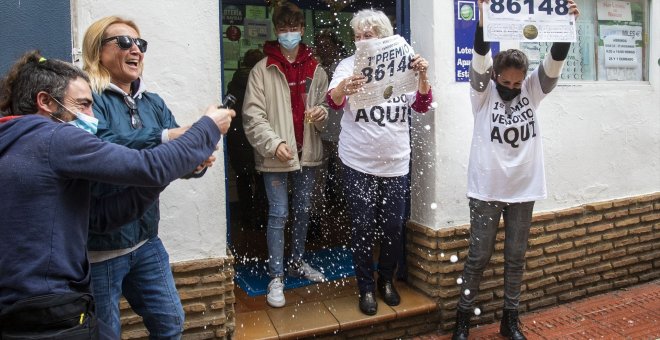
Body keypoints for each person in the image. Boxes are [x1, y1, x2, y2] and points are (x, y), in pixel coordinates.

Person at [0, 51, 232, 339]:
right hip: (46, 308)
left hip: (25, 309)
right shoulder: (53, 137)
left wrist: (167, 171)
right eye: (82, 105)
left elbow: (98, 218)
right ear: (45, 102)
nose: (91, 118)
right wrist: (208, 127)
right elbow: (150, 166)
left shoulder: (15, 139)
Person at [452, 1, 580, 339]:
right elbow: (479, 55)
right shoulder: (481, 93)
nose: (511, 88)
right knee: (478, 257)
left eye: (516, 83)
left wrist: (566, 26)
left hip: (524, 188)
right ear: (496, 76)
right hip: (487, 189)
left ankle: (510, 320)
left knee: (515, 258)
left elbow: (554, 62)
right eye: (505, 82)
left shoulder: (532, 90)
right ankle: (462, 320)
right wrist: (482, 22)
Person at [81, 16, 216, 338]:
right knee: (104, 334)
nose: (135, 50)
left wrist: (193, 164)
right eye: (124, 42)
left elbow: (172, 157)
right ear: (98, 51)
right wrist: (168, 137)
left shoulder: (153, 103)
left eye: (140, 44)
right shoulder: (88, 101)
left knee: (170, 323)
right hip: (100, 250)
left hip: (146, 241)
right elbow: (103, 148)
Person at [327, 9, 432, 315]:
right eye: (357, 36)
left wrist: (422, 75)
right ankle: (365, 287)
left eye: (368, 36)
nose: (361, 41)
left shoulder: (405, 62)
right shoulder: (348, 65)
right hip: (357, 161)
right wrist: (346, 87)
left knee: (393, 226)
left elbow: (423, 105)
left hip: (396, 162)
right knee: (362, 226)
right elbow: (334, 100)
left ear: (384, 37)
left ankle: (386, 280)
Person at [242, 2, 329, 308]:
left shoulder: (316, 69)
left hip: (307, 154)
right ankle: (276, 275)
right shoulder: (261, 70)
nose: (289, 34)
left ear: (302, 30)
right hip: (275, 157)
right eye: (284, 29)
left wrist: (321, 114)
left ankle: (297, 261)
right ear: (276, 31)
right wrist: (273, 143)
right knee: (279, 214)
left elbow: (326, 111)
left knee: (303, 210)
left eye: (294, 28)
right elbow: (253, 117)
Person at [308, 29, 349, 239]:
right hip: (320, 132)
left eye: (327, 45)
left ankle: (347, 220)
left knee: (344, 178)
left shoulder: (344, 68)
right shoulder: (314, 69)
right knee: (318, 180)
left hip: (342, 133)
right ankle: (316, 220)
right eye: (320, 45)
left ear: (335, 46)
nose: (323, 49)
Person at [226, 49, 267, 230]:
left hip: (237, 136)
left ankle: (246, 216)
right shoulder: (261, 82)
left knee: (243, 179)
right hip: (257, 137)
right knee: (261, 179)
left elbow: (227, 108)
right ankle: (260, 216)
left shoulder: (233, 84)